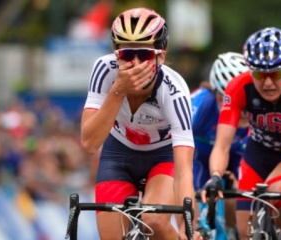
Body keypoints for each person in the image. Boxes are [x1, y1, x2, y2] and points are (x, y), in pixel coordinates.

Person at [80, 7, 201, 240]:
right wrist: (118, 91)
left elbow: (184, 170)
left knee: (152, 219)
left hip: (163, 157)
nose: (135, 64)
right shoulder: (104, 70)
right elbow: (89, 143)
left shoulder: (174, 91)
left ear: (161, 56)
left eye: (144, 55)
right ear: (116, 54)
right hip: (119, 154)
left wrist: (189, 227)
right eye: (126, 55)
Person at [201, 27, 281, 240]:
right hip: (258, 154)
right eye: (259, 74)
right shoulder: (238, 87)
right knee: (245, 232)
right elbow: (222, 145)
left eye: (275, 74)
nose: (267, 83)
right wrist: (214, 177)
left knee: (275, 190)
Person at [191, 52, 249, 239]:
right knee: (198, 206)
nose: (239, 110)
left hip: (237, 156)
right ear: (216, 95)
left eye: (243, 101)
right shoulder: (203, 103)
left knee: (241, 200)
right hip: (201, 160)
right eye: (227, 100)